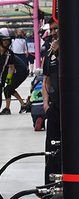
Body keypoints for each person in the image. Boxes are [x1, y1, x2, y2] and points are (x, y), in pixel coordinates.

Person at [42, 21, 60, 183]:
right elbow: (46, 80)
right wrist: (46, 104)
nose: (53, 33)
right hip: (55, 108)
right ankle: (50, 186)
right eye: (52, 30)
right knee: (52, 149)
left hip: (72, 107)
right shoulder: (50, 54)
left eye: (56, 29)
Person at [0, 49, 29, 115]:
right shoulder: (7, 55)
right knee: (10, 88)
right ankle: (23, 104)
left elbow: (9, 68)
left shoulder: (7, 56)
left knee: (7, 89)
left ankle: (7, 108)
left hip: (19, 73)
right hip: (21, 72)